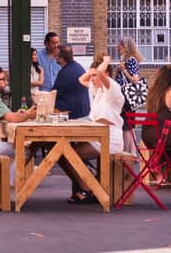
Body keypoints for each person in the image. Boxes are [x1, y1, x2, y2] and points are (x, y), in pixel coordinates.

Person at [61, 54, 125, 204]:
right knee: (63, 153)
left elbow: (102, 73)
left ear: (106, 75)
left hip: (110, 140)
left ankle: (87, 189)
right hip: (96, 137)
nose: (92, 78)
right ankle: (88, 186)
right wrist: (91, 71)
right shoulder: (97, 90)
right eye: (92, 75)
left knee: (67, 154)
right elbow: (81, 79)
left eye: (95, 76)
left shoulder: (113, 90)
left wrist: (106, 61)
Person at [141, 64, 171, 180]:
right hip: (165, 138)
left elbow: (163, 109)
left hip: (148, 136)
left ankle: (159, 166)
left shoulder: (154, 92)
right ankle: (169, 165)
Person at [115, 37, 144, 151]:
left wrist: (124, 70)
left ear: (125, 47)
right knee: (128, 126)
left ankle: (126, 153)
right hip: (125, 96)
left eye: (120, 46)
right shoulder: (126, 60)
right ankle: (132, 153)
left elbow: (135, 79)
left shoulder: (131, 60)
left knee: (126, 126)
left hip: (127, 97)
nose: (118, 48)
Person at [52, 45, 90, 119]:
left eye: (56, 56)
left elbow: (54, 94)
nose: (54, 58)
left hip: (73, 113)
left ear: (62, 59)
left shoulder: (65, 72)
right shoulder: (78, 67)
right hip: (84, 110)